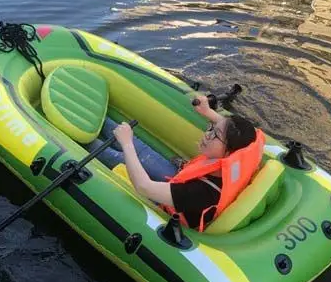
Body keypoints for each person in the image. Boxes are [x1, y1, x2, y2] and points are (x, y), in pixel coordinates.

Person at [113, 95, 265, 231]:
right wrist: (207, 111)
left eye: (215, 134)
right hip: (181, 182)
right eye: (211, 128)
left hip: (169, 207)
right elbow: (226, 129)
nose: (207, 134)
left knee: (115, 153)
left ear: (229, 153)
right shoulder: (242, 153)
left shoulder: (204, 193)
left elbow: (143, 186)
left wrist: (127, 143)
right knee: (140, 149)